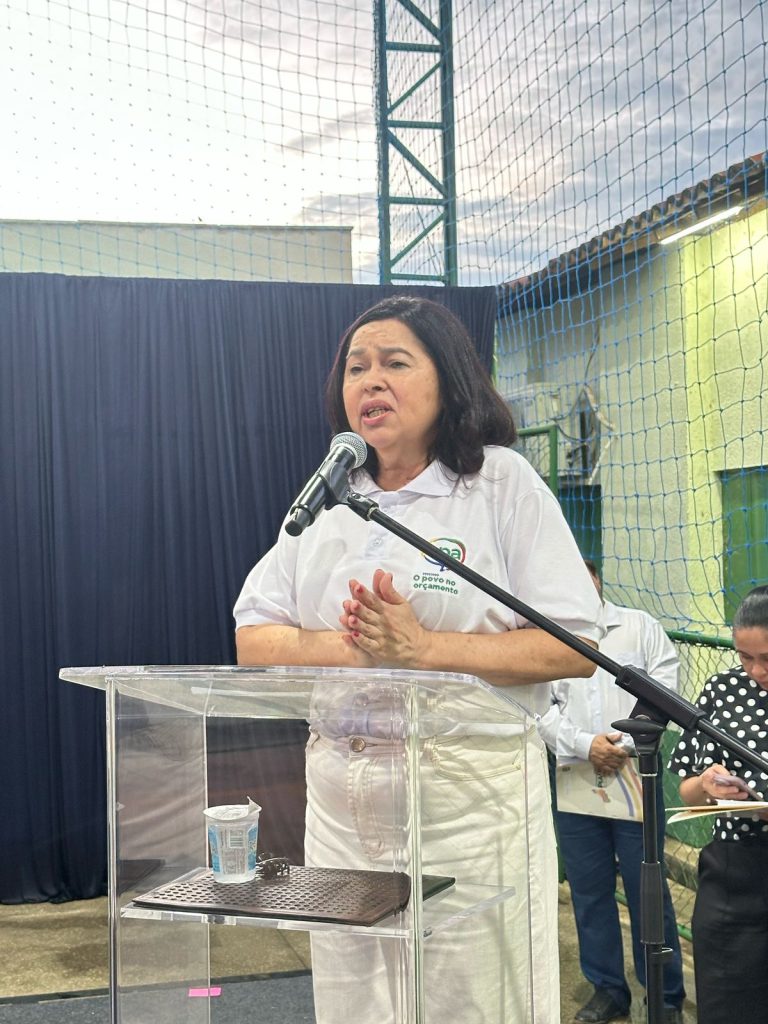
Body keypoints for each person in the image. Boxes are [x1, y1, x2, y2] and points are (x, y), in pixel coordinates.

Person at [233, 295, 604, 1024]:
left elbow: (574, 644)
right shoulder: (329, 499)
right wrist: (363, 648)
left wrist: (424, 649)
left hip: (465, 801)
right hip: (340, 800)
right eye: (355, 368)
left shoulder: (498, 483)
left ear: (448, 380)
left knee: (471, 1000)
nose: (369, 381)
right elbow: (254, 637)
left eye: (395, 363)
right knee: (357, 1001)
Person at [539, 560, 686, 1024]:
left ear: (598, 582)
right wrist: (586, 745)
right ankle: (607, 989)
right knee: (589, 890)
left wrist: (622, 745)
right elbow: (538, 708)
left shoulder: (640, 628)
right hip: (576, 781)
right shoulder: (547, 642)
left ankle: (665, 996)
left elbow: (666, 689)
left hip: (635, 777)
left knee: (649, 892)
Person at [667, 584, 768, 1024]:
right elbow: (687, 791)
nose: (756, 670)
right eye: (745, 657)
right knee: (728, 999)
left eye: (767, 658)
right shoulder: (724, 688)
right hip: (733, 870)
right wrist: (708, 785)